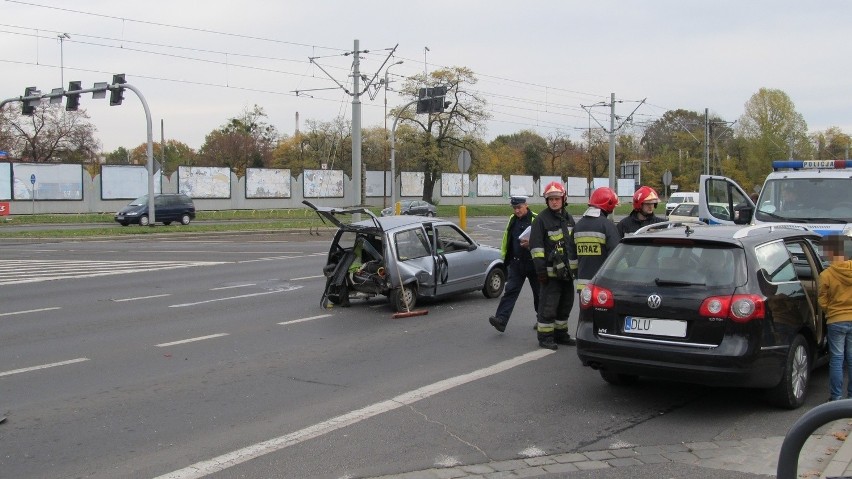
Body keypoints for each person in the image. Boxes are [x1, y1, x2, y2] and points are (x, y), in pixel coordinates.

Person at [529, 181, 576, 350]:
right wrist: (541, 272)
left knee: (566, 304)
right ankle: (545, 337)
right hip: (550, 275)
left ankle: (561, 334)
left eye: (557, 198)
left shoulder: (569, 218)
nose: (554, 202)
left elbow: (573, 245)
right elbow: (536, 249)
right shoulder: (541, 220)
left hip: (567, 274)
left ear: (564, 199)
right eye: (551, 199)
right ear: (546, 201)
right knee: (548, 306)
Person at [489, 196, 539, 332]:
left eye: (519, 207)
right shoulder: (512, 219)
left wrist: (531, 244)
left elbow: (544, 241)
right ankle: (501, 320)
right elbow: (507, 237)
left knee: (539, 293)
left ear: (526, 205)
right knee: (510, 292)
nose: (517, 211)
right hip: (516, 263)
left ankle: (542, 320)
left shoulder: (536, 219)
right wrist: (506, 259)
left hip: (533, 264)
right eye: (514, 208)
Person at [818, 234, 852, 401]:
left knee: (837, 360)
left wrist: (830, 310)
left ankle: (836, 397)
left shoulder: (826, 275)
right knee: (851, 359)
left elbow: (822, 300)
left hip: (836, 320)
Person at [569, 187, 621, 293]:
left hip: (583, 287)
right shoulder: (608, 226)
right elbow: (616, 256)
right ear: (609, 205)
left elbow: (572, 259)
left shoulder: (578, 226)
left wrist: (577, 273)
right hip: (603, 286)